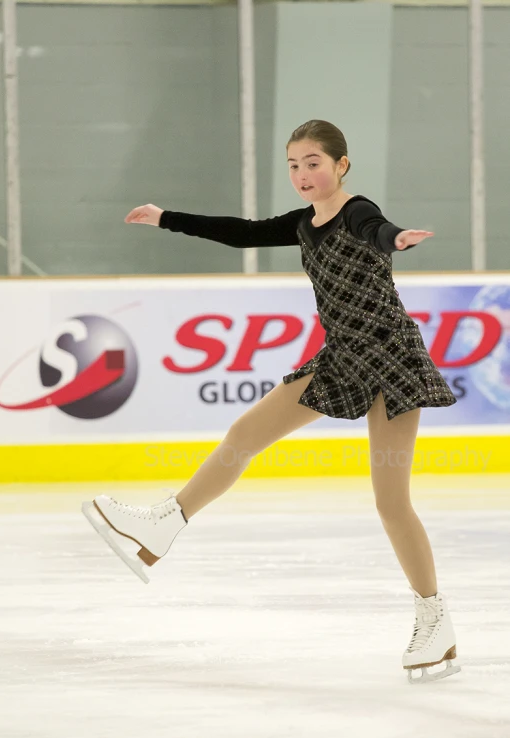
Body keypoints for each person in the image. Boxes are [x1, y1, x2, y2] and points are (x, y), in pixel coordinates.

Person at [82, 119, 461, 684]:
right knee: (245, 434)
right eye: (293, 165)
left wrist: (397, 237)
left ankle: (435, 619)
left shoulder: (357, 210)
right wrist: (166, 218)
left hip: (390, 359)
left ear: (341, 165)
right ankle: (165, 522)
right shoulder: (303, 225)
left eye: (314, 162)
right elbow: (239, 232)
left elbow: (377, 228)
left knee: (390, 500)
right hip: (341, 358)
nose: (303, 174)